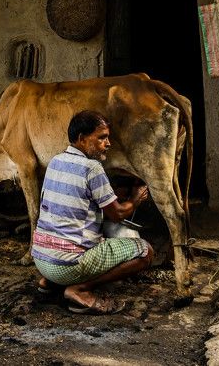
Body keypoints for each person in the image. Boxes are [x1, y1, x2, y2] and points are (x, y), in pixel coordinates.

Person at [32, 110, 154, 314]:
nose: (108, 143)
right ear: (82, 138)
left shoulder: (55, 161)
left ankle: (49, 283)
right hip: (67, 265)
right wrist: (135, 200)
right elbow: (117, 214)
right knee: (145, 251)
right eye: (102, 137)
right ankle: (80, 289)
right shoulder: (92, 168)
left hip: (42, 260)